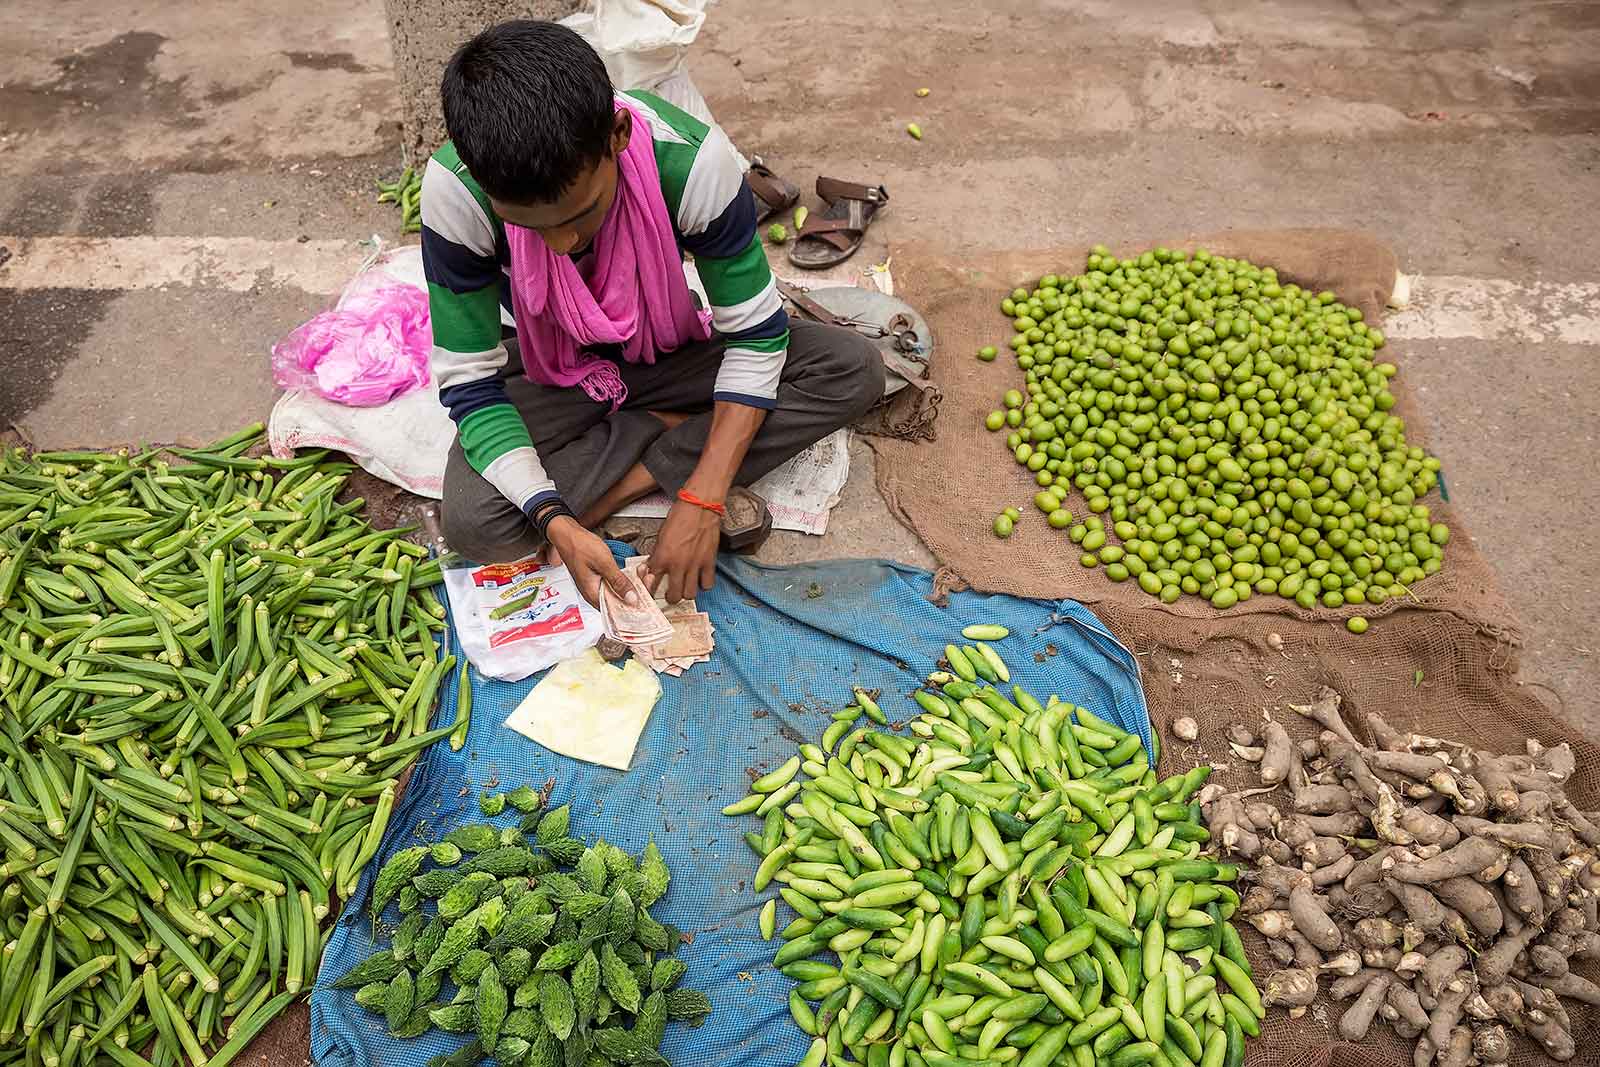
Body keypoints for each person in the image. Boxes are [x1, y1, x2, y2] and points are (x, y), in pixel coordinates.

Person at [424, 20, 883, 608]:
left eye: (580, 213)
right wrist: (556, 520)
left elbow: (756, 337)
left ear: (618, 134)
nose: (561, 246)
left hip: (665, 344)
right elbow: (472, 382)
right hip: (551, 365)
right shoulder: (455, 193)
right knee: (475, 525)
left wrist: (702, 499)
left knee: (850, 367)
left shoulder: (693, 164)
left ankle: (648, 463)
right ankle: (663, 427)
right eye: (529, 226)